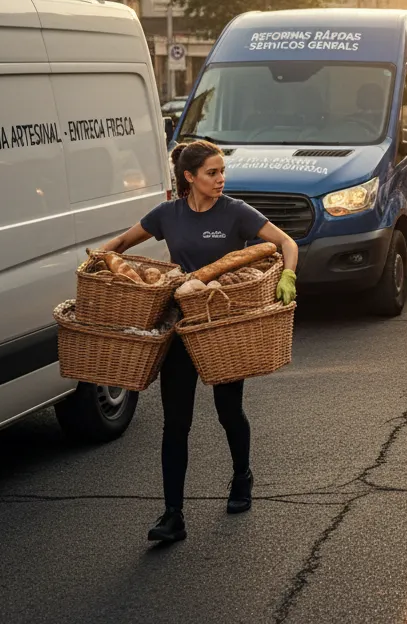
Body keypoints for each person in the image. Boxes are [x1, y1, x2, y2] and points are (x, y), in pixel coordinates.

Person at [100, 140, 301, 543]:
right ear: (189, 177)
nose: (220, 179)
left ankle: (242, 476)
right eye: (212, 173)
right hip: (180, 324)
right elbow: (120, 245)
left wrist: (288, 275)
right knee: (175, 423)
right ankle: (173, 514)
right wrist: (97, 258)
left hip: (221, 327)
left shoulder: (235, 212)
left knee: (229, 411)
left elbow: (285, 243)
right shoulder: (167, 215)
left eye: (222, 171)